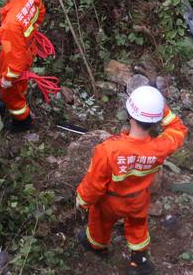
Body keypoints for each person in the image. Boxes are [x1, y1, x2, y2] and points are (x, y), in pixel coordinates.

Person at [75, 86, 187, 275]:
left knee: (100, 221)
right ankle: (139, 260)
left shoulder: (109, 150)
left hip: (110, 201)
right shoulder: (161, 147)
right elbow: (178, 128)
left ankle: (97, 245)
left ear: (129, 113)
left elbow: (94, 184)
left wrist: (83, 200)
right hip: (139, 198)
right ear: (156, 121)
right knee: (138, 225)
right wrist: (161, 108)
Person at [0, 0, 45, 132]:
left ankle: (22, 120)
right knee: (15, 85)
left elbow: (16, 59)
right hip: (27, 47)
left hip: (15, 58)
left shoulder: (11, 25)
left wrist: (8, 78)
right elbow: (40, 14)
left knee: (11, 93)